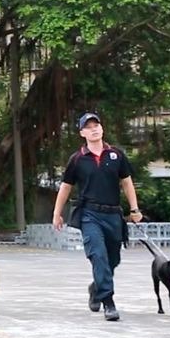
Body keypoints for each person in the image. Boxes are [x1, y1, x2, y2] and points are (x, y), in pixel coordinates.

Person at [52, 112, 143, 321]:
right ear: (82, 132)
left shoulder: (116, 155)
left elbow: (127, 182)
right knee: (98, 256)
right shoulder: (77, 159)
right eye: (89, 127)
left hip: (113, 214)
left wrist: (134, 209)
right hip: (89, 215)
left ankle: (97, 286)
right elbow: (66, 187)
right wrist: (57, 213)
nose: (94, 129)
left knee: (113, 259)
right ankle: (108, 302)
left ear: (102, 129)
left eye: (97, 125)